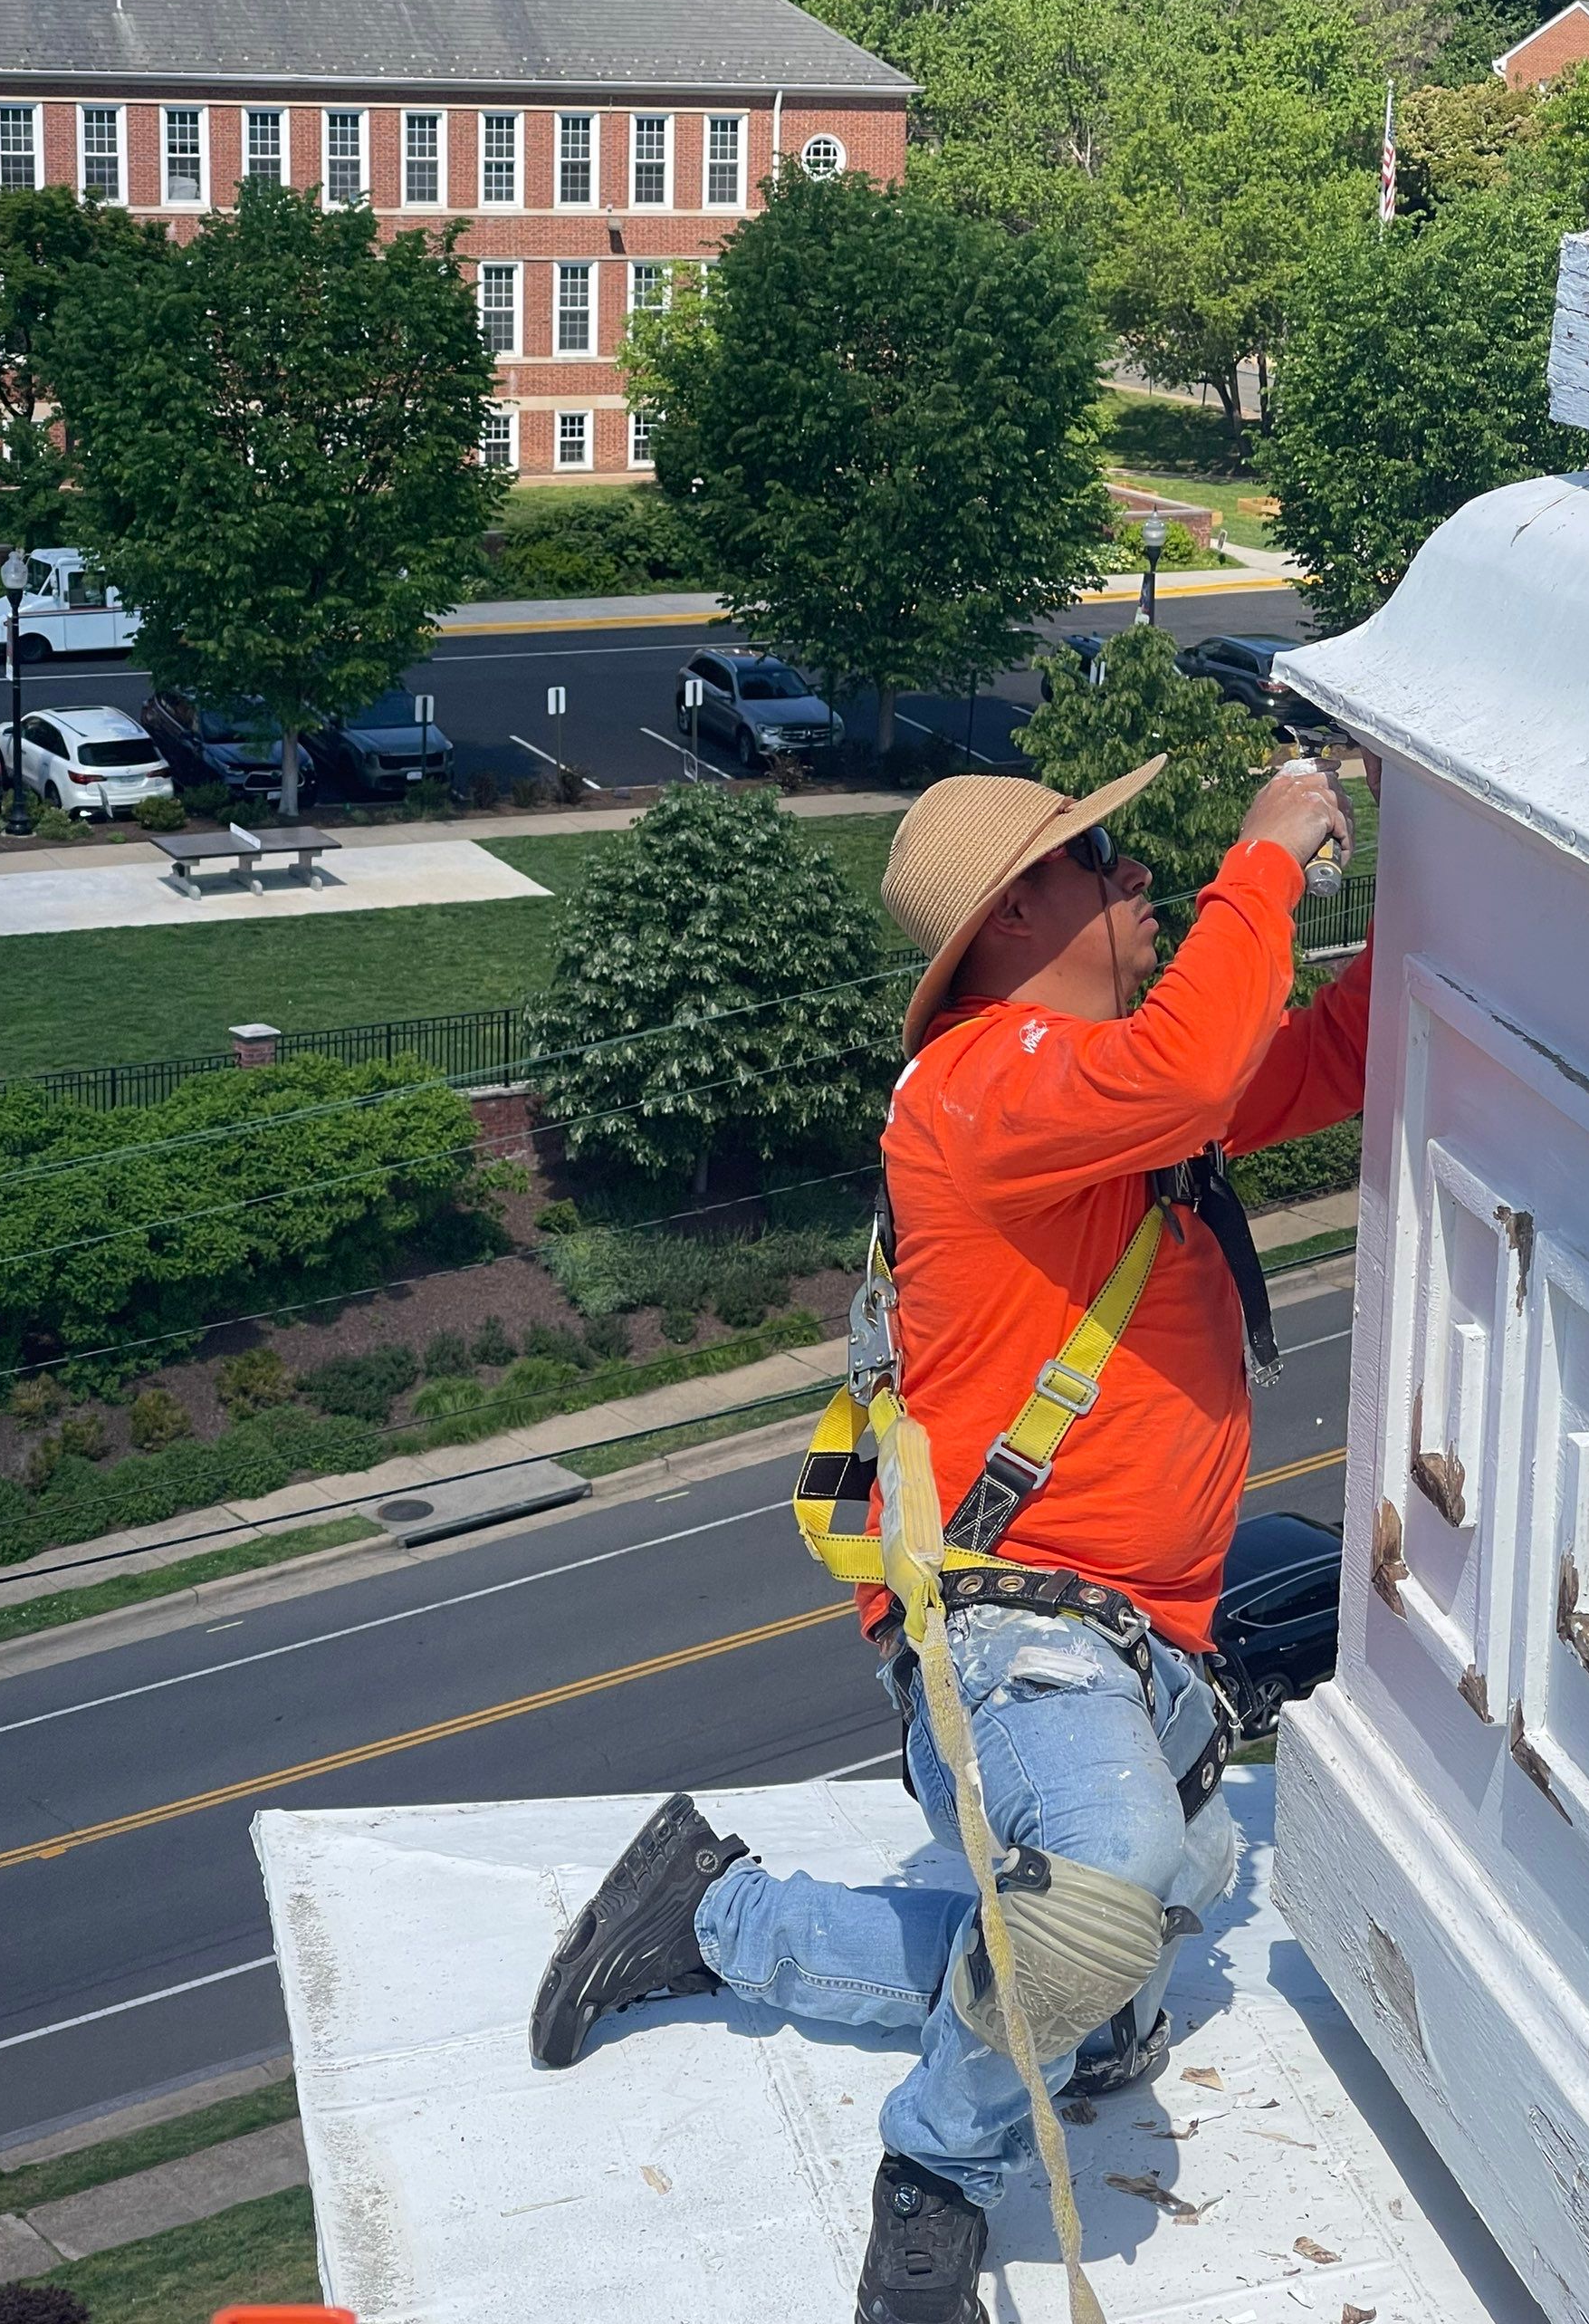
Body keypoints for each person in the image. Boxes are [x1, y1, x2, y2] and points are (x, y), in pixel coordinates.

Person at [531, 748, 1374, 2324]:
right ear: (1005, 920)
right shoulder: (985, 1083)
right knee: (1098, 1890)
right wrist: (1260, 857)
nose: (1138, 874)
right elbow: (1205, 1072)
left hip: (1148, 1650)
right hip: (1020, 1622)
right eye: (1101, 858)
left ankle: (712, 1913)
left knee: (1088, 1994)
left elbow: (1334, 1051)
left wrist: (1457, 879)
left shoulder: (1095, 1082)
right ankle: (937, 2177)